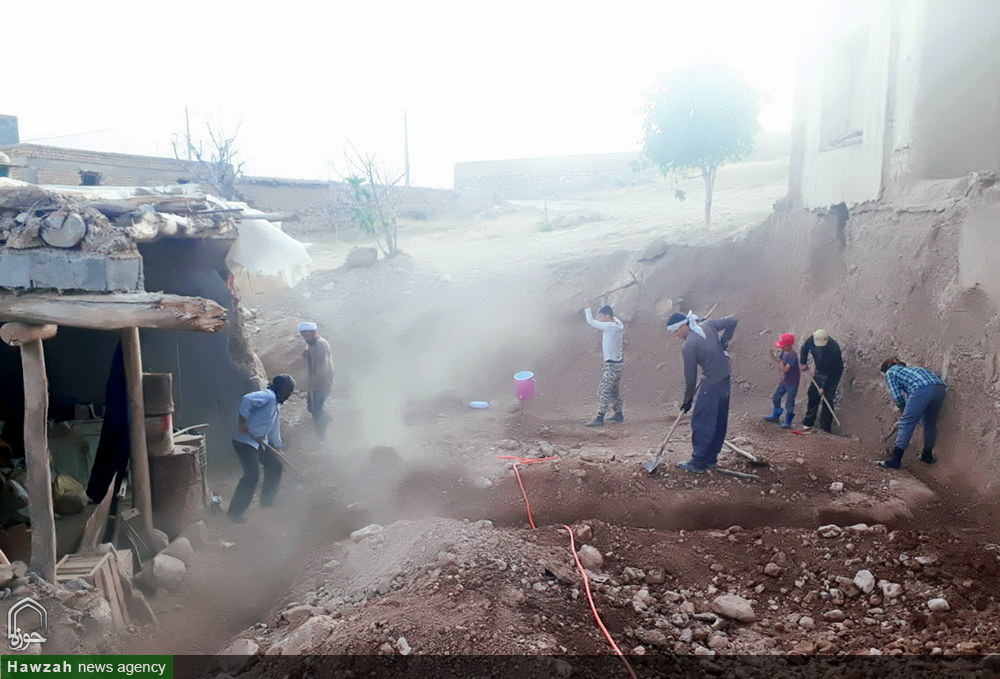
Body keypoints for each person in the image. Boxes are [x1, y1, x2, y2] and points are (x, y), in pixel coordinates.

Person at [666, 311, 738, 473]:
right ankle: (711, 458)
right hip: (725, 379)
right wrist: (724, 341)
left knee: (702, 421)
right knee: (719, 419)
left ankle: (698, 462)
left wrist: (687, 400)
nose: (676, 335)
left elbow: (690, 379)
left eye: (675, 331)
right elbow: (732, 320)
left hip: (712, 383)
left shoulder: (689, 345)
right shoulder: (708, 324)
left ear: (683, 326)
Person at [228, 374, 295, 523]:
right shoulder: (268, 396)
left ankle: (267, 503)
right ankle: (234, 513)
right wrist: (242, 421)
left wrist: (278, 447)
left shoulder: (276, 404)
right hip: (245, 441)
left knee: (275, 466)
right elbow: (247, 399)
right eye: (289, 391)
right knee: (252, 475)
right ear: (282, 390)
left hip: (260, 442)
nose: (289, 395)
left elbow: (274, 428)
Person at [877, 357, 946, 469]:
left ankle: (895, 461)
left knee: (907, 424)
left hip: (921, 389)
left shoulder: (891, 372)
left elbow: (898, 397)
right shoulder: (912, 371)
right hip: (939, 387)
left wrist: (904, 416)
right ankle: (927, 455)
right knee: (930, 422)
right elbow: (914, 401)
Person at [583, 305, 625, 427]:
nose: (600, 319)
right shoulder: (616, 322)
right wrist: (605, 300)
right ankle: (618, 413)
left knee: (604, 389)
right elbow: (609, 311)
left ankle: (600, 417)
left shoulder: (610, 326)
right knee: (613, 390)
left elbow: (590, 321)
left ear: (607, 316)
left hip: (612, 365)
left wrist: (587, 307)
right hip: (617, 364)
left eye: (602, 316)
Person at [798, 329, 844, 432]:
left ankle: (825, 427)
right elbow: (804, 348)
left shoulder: (834, 348)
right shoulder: (812, 339)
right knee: (813, 393)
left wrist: (824, 387)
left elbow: (833, 371)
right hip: (819, 370)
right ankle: (808, 422)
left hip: (833, 373)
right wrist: (803, 362)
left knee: (827, 397)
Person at [298, 322, 334, 440]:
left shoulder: (320, 344)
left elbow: (322, 367)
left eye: (305, 335)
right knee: (311, 408)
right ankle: (327, 419)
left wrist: (315, 383)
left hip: (322, 382)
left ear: (313, 333)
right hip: (314, 382)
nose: (304, 338)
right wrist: (308, 354)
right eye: (302, 335)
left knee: (316, 410)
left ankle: (322, 436)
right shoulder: (312, 343)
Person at [765, 333, 800, 429]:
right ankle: (776, 415)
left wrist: (775, 363)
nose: (781, 348)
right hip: (785, 380)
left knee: (789, 401)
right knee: (776, 397)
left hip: (792, 382)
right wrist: (773, 356)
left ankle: (788, 421)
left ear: (789, 345)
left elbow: (785, 369)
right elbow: (779, 361)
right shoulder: (784, 352)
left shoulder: (793, 355)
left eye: (783, 346)